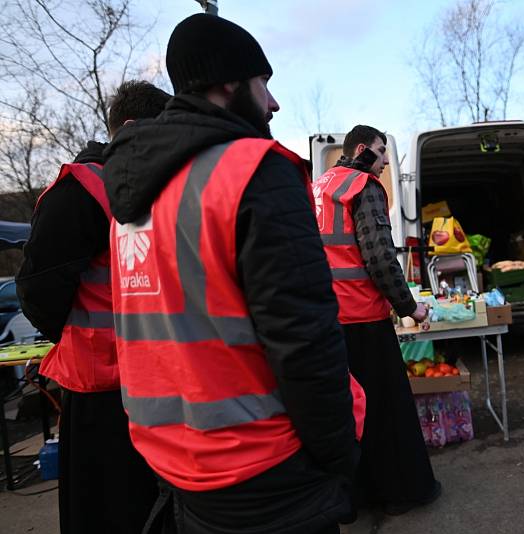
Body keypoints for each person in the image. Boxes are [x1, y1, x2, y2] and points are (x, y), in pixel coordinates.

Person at [102, 14, 365, 534]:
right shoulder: (253, 171)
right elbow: (304, 340)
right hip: (264, 465)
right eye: (263, 83)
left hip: (175, 462)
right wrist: (340, 457)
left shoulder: (131, 192)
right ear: (227, 83)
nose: (272, 103)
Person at [16, 80, 169, 534]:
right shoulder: (81, 188)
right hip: (103, 389)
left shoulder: (159, 188)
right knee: (109, 511)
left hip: (157, 382)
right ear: (132, 128)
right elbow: (39, 292)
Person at [313, 124, 441, 515]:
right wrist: (411, 307)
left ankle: (356, 496)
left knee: (346, 413)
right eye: (383, 152)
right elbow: (380, 258)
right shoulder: (363, 187)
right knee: (385, 411)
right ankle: (399, 494)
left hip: (327, 319)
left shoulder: (319, 187)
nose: (386, 161)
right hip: (363, 319)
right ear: (364, 149)